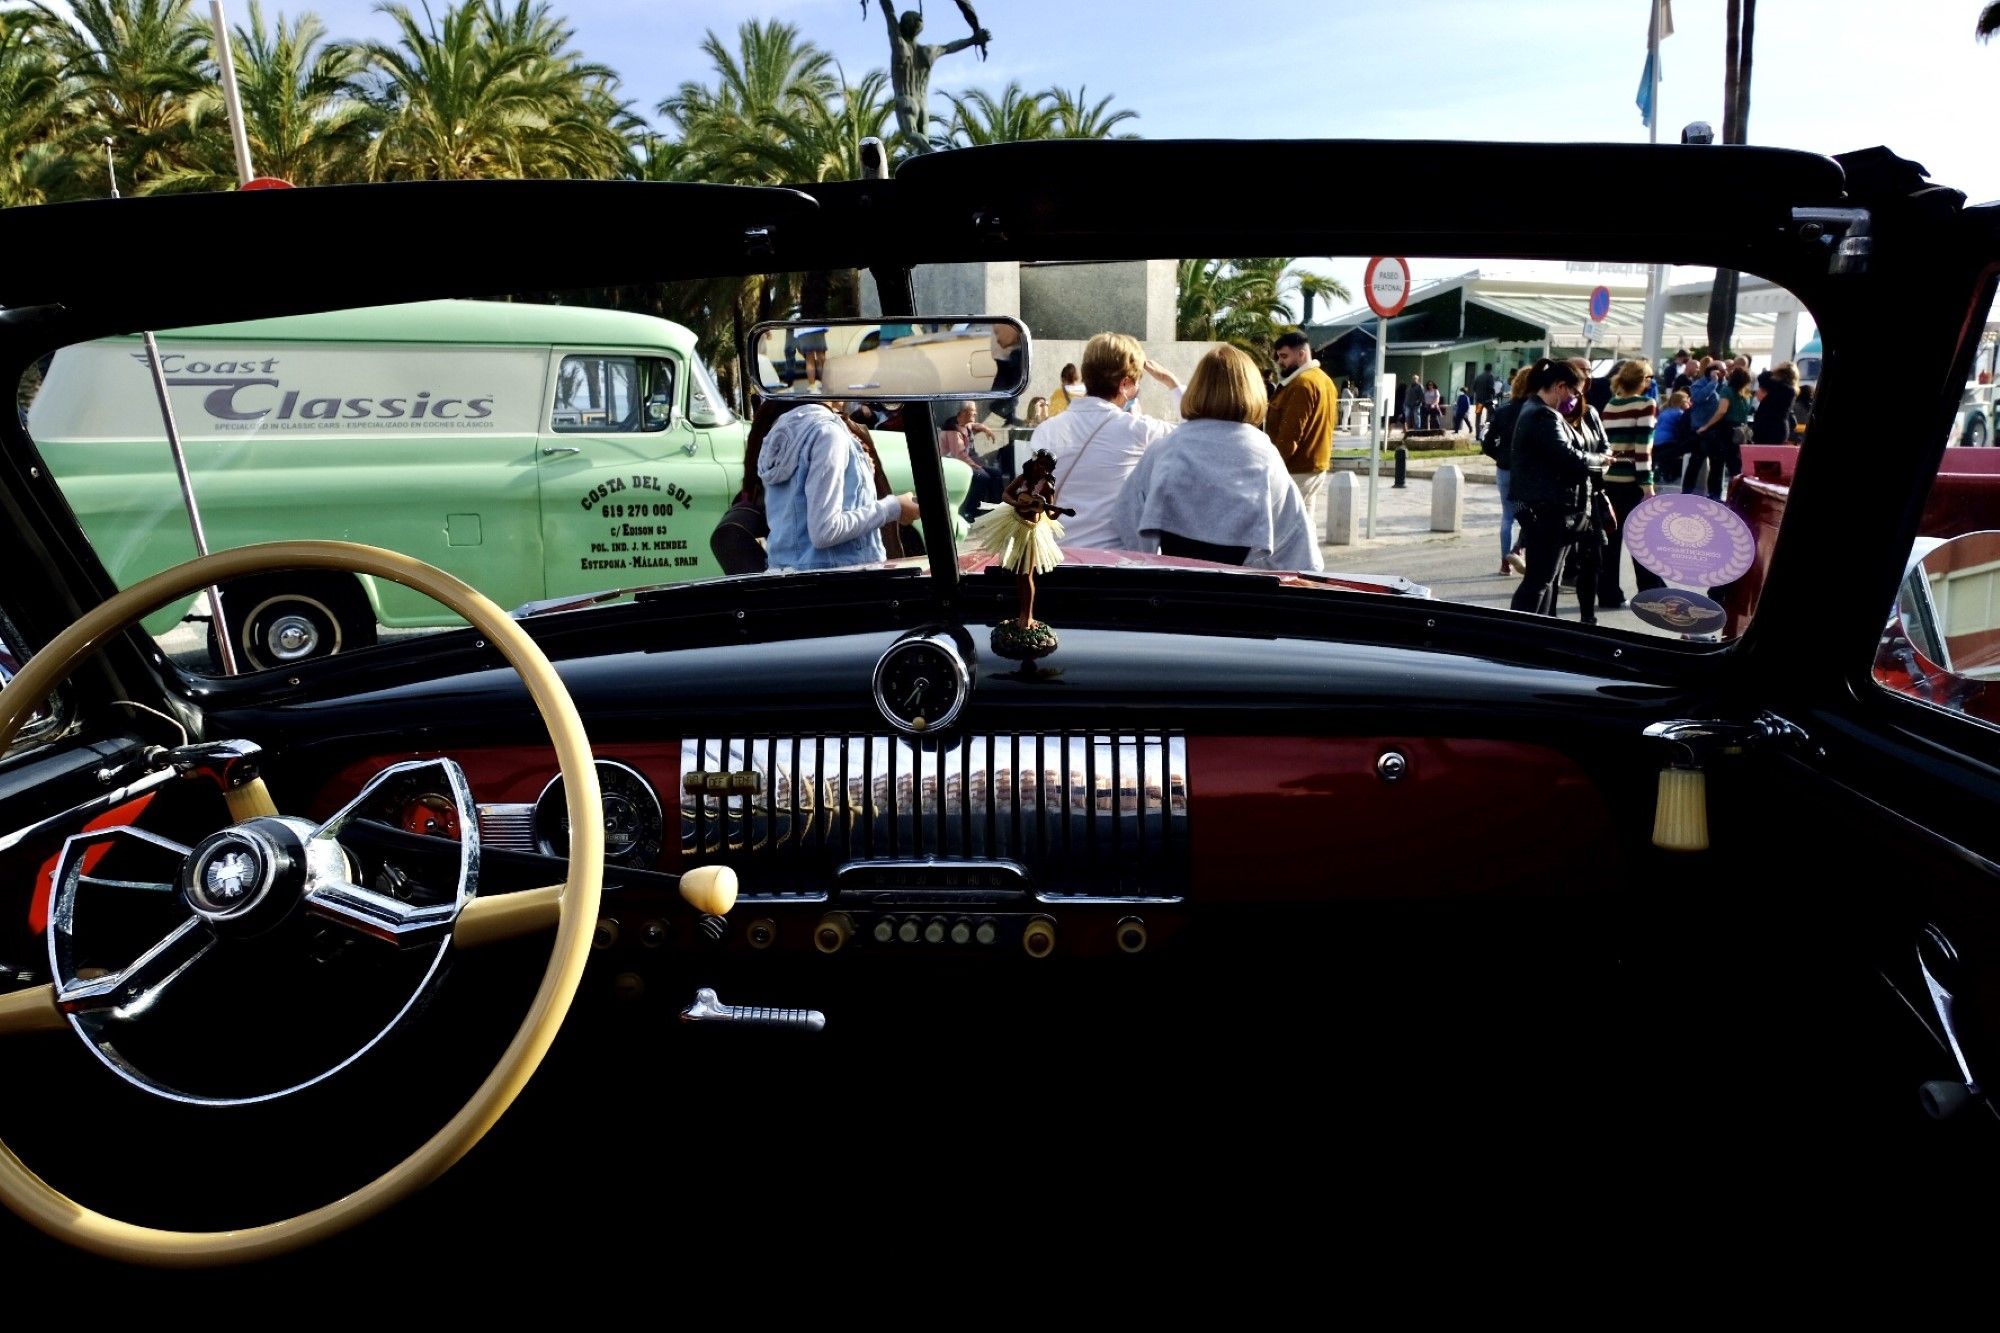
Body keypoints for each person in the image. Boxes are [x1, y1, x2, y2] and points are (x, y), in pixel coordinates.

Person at [1114, 345, 1324, 572]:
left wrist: (1152, 561)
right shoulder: (1264, 454)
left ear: (1197, 388)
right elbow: (1298, 548)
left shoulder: (1166, 447)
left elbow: (1126, 515)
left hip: (1174, 592)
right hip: (1235, 595)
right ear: (1253, 391)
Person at [1028, 331, 1182, 550]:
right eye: (1138, 382)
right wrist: (1173, 384)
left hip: (1054, 563)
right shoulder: (1140, 430)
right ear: (1126, 383)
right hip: (1115, 567)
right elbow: (1197, 434)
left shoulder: (1045, 431)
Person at [758, 399, 919, 571]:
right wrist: (894, 507)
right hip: (837, 581)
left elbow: (798, 508)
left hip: (790, 575)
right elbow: (825, 531)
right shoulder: (828, 434)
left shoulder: (789, 430)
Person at [1508, 357, 1605, 620]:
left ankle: (1538, 634)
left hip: (1547, 507)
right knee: (1539, 581)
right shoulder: (1543, 415)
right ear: (1560, 386)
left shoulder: (1536, 410)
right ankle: (1518, 637)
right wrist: (1600, 461)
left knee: (1546, 579)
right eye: (1574, 391)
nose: (1575, 398)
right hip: (1547, 510)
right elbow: (1568, 457)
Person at [965, 448, 1067, 628]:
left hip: (1031, 531)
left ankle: (1027, 617)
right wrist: (1016, 503)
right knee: (1019, 574)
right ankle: (1021, 614)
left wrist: (1056, 512)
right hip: (1014, 522)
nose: (1042, 469)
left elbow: (1050, 515)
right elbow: (1006, 494)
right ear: (1034, 462)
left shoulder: (1047, 486)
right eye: (1040, 464)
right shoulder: (1023, 478)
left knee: (1027, 575)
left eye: (1047, 467)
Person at [1600, 359, 1664, 602]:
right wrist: (1647, 486)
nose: (1650, 383)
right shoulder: (1646, 404)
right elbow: (1642, 448)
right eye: (1649, 378)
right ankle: (1649, 591)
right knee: (1642, 539)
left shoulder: (1610, 405)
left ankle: (1608, 592)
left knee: (1611, 540)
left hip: (1609, 479)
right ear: (1642, 380)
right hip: (1631, 481)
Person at [1266, 330, 1338, 521]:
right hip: (1314, 466)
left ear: (1301, 354)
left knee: (1285, 528)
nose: (1280, 362)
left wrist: (1273, 467)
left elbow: (1290, 435)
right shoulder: (1325, 380)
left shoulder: (1301, 384)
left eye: (1284, 356)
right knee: (1305, 527)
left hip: (1297, 469)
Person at [1482, 366, 1534, 576]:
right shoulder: (1535, 411)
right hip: (1528, 470)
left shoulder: (1503, 410)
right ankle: (1518, 548)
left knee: (1507, 517)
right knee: (1532, 514)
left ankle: (1505, 562)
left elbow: (1486, 442)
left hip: (1505, 469)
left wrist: (1500, 456)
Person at [937, 399, 1008, 519]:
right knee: (982, 477)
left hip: (965, 462)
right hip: (953, 464)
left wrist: (985, 429)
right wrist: (975, 466)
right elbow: (959, 454)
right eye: (973, 412)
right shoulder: (952, 430)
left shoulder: (965, 424)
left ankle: (996, 509)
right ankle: (970, 511)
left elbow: (974, 425)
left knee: (996, 473)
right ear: (964, 412)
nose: (975, 414)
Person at [1753, 361, 1800, 444]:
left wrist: (1774, 371)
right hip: (1778, 429)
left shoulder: (1780, 387)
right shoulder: (1790, 390)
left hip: (1768, 428)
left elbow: (1762, 377)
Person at [1472, 362, 1499, 440]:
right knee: (1492, 415)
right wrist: (1494, 396)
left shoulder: (1478, 376)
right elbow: (1491, 388)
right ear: (1490, 369)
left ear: (1484, 368)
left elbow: (1474, 388)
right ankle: (1488, 434)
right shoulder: (1490, 376)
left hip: (1479, 401)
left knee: (1478, 417)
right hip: (1488, 401)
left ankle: (1477, 435)